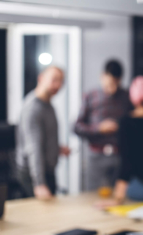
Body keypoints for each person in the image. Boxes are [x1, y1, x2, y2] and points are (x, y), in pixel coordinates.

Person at [95, 76, 143, 208]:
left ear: (132, 96)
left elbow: (126, 162)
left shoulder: (125, 122)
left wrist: (117, 198)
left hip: (136, 189)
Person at [74, 60, 132, 191]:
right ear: (102, 76)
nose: (113, 88)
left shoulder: (126, 96)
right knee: (92, 196)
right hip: (96, 156)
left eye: (117, 83)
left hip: (120, 155)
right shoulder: (90, 96)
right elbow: (77, 127)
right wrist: (99, 128)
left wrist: (121, 127)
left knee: (119, 197)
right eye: (110, 83)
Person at [16, 66, 71, 200]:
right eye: (54, 80)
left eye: (61, 81)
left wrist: (56, 149)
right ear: (41, 78)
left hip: (47, 170)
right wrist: (39, 183)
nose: (58, 85)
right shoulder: (33, 108)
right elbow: (33, 148)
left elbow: (42, 139)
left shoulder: (49, 106)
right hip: (33, 174)